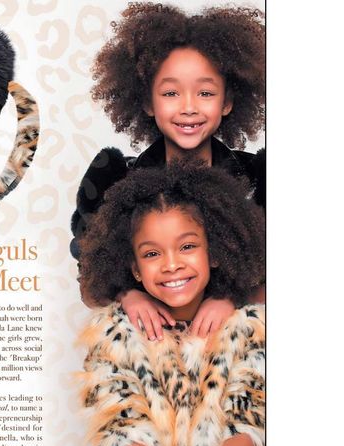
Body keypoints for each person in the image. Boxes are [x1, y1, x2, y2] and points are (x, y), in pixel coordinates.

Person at [78, 164, 265, 446]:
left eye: (187, 246)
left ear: (215, 253)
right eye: (152, 253)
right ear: (134, 270)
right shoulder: (116, 332)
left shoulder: (243, 326)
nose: (172, 264)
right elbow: (121, 436)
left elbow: (245, 422)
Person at [71, 2, 265, 341]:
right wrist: (127, 295)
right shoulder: (115, 179)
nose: (188, 107)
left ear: (228, 101)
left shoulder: (261, 178)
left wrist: (231, 299)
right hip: (149, 360)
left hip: (238, 361)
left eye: (205, 92)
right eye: (171, 93)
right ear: (147, 102)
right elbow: (90, 285)